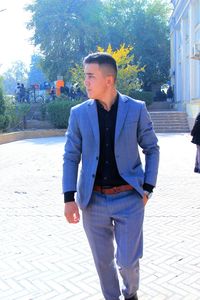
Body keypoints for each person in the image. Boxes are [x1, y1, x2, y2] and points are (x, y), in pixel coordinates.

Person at [63, 52, 160, 300]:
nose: (85, 82)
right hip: (93, 201)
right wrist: (68, 197)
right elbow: (71, 156)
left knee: (127, 261)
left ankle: (131, 294)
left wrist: (148, 187)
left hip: (129, 199)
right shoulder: (78, 113)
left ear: (109, 79)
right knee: (103, 262)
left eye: (90, 76)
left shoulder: (136, 109)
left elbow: (152, 148)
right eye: (85, 76)